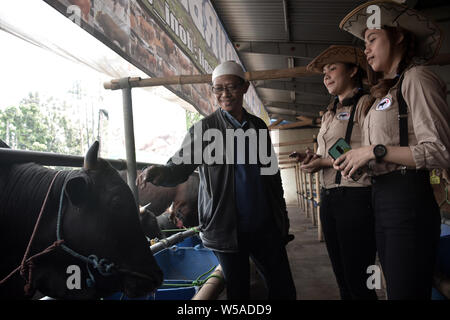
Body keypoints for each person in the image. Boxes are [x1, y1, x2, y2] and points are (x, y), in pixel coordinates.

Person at [136, 60, 296, 300]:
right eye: (218, 89)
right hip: (225, 228)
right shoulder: (204, 129)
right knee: (239, 291)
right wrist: (163, 173)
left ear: (245, 87)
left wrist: (281, 215)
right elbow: (179, 167)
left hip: (264, 226)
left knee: (283, 288)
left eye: (230, 87)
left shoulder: (258, 127)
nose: (224, 94)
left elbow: (272, 175)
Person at [337, 0, 450, 299]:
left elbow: (439, 151)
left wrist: (374, 151)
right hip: (383, 199)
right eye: (365, 44)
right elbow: (384, 150)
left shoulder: (418, 78)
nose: (366, 49)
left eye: (372, 39)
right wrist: (361, 160)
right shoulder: (387, 92)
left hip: (409, 201)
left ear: (398, 36)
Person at [292, 45, 378, 299]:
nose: (326, 76)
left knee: (359, 277)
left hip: (356, 196)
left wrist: (324, 163)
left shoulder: (367, 104)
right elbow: (328, 154)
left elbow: (373, 150)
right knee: (340, 273)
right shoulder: (329, 112)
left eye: (332, 69)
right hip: (329, 195)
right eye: (323, 72)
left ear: (353, 71)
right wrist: (312, 159)